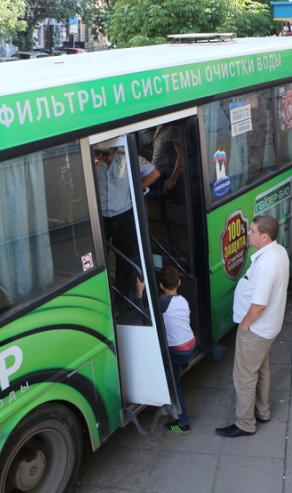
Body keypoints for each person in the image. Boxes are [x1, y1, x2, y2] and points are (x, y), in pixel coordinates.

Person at [215, 216, 289, 438]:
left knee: (245, 376)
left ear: (264, 236)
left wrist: (245, 325)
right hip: (269, 328)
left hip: (256, 330)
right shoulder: (279, 253)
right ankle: (262, 412)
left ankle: (245, 423)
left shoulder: (266, 265)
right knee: (261, 369)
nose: (249, 234)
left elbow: (259, 305)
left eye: (253, 231)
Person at [134, 266, 195, 433]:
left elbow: (140, 314)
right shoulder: (182, 300)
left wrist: (139, 293)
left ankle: (183, 423)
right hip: (190, 344)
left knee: (174, 386)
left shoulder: (163, 303)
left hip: (178, 350)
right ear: (179, 282)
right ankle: (184, 364)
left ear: (161, 285)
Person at [96, 146, 159, 300]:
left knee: (124, 258)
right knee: (99, 259)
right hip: (100, 217)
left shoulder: (128, 157)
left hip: (123, 214)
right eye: (105, 154)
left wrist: (136, 191)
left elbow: (154, 173)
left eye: (111, 153)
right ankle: (103, 295)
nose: (109, 158)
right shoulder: (93, 161)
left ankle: (122, 298)